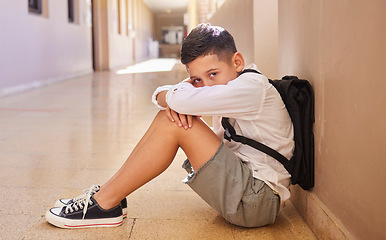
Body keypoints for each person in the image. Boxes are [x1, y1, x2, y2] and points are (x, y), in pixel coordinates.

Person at [45, 23, 294, 229]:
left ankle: (105, 203)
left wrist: (179, 95)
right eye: (197, 79)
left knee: (172, 121)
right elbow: (166, 96)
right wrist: (177, 97)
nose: (206, 86)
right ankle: (109, 195)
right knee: (171, 116)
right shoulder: (232, 85)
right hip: (247, 190)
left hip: (257, 201)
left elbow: (174, 96)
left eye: (213, 74)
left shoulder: (251, 88)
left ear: (237, 62)